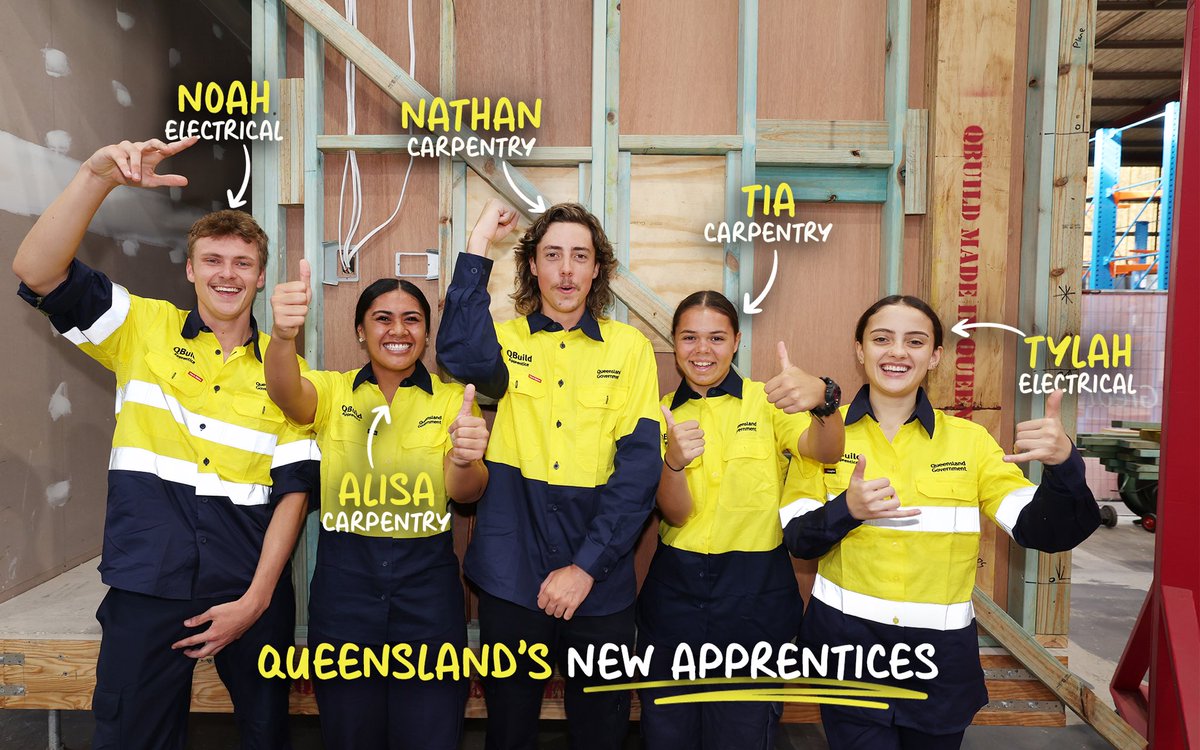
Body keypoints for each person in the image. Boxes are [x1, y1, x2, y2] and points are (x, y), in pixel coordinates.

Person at [12, 136, 314, 749]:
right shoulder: (140, 329)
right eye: (213, 260)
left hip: (248, 589)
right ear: (190, 267)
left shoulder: (287, 374)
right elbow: (37, 270)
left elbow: (294, 494)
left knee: (267, 736)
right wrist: (97, 176)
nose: (227, 274)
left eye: (242, 264)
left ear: (261, 276)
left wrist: (255, 602)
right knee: (131, 737)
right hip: (148, 585)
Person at [781, 295, 1101, 749]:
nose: (897, 352)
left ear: (933, 356)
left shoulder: (970, 443)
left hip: (938, 666)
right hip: (847, 657)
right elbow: (798, 540)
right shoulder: (824, 438)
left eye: (914, 341)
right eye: (881, 339)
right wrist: (846, 510)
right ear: (859, 350)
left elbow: (1044, 530)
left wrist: (1065, 464)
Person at [436, 199, 662, 750]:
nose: (565, 269)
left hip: (600, 581)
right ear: (532, 265)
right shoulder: (507, 341)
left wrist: (585, 569)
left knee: (600, 732)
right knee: (508, 730)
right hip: (511, 574)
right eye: (552, 254)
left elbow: (638, 470)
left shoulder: (630, 349)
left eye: (579, 257)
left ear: (596, 270)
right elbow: (460, 355)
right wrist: (479, 240)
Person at [265, 265, 489, 749]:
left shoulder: (455, 401)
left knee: (429, 732)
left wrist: (467, 457)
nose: (398, 330)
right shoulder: (333, 389)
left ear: (427, 335)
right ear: (361, 332)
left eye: (412, 319)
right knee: (350, 731)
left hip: (427, 587)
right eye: (382, 318)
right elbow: (287, 395)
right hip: (345, 584)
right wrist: (283, 338)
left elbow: (466, 492)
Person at [638, 290, 845, 749]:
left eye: (716, 337)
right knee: (667, 731)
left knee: (744, 733)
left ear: (735, 342)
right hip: (674, 592)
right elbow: (674, 512)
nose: (702, 350)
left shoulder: (768, 402)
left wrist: (824, 400)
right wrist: (672, 463)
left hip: (756, 594)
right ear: (674, 343)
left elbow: (826, 450)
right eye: (689, 337)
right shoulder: (656, 415)